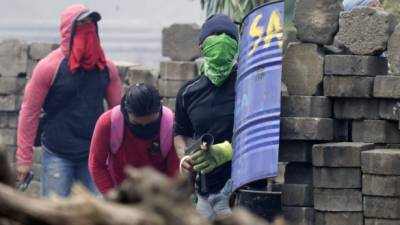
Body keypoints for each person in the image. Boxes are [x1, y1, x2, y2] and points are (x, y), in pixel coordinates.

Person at [16, 4, 122, 197]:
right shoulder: (49, 68)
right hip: (57, 153)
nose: (88, 28)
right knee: (54, 215)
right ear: (68, 30)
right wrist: (24, 158)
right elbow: (29, 112)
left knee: (101, 215)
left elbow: (119, 114)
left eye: (91, 23)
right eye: (82, 24)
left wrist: (121, 155)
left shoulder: (106, 68)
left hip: (95, 155)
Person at [174, 14, 238, 220]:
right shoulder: (189, 92)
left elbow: (264, 135)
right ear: (201, 45)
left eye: (227, 36)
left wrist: (228, 151)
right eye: (215, 35)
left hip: (239, 192)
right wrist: (184, 157)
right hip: (203, 194)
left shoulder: (249, 86)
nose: (220, 39)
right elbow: (180, 132)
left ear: (236, 46)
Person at [89, 83, 179, 194]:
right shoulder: (107, 123)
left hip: (158, 194)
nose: (144, 127)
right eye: (137, 124)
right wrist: (113, 196)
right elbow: (97, 164)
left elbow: (174, 171)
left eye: (150, 124)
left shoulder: (171, 125)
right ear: (126, 112)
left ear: (159, 110)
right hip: (120, 190)